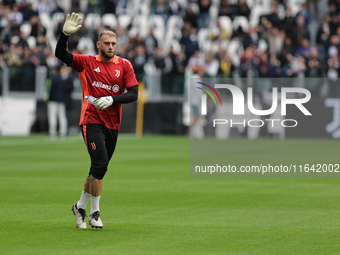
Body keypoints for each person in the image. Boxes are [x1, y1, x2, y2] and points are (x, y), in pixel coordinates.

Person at [55, 13, 139, 229]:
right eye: (107, 43)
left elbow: (133, 94)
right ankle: (95, 213)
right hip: (91, 120)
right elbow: (60, 54)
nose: (111, 47)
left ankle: (79, 207)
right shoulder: (87, 63)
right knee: (100, 164)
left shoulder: (125, 65)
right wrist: (65, 35)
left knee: (98, 168)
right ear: (98, 44)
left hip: (113, 124)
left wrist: (113, 98)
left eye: (114, 43)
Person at [48, 65, 68, 139]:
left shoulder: (54, 78)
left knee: (52, 116)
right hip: (61, 100)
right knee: (62, 117)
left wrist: (49, 99)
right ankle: (63, 132)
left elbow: (51, 91)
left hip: (53, 100)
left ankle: (52, 132)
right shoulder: (63, 79)